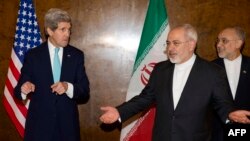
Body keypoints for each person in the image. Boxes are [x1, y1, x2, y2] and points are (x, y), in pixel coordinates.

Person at [100, 24, 250, 141]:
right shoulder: (160, 70)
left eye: (176, 43)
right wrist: (120, 111)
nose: (170, 48)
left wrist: (230, 114)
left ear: (191, 44)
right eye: (168, 43)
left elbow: (222, 103)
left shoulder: (212, 71)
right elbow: (145, 98)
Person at [14, 8, 90, 141]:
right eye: (63, 29)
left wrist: (68, 87)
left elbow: (84, 92)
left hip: (67, 129)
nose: (68, 34)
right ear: (49, 31)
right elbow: (18, 89)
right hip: (39, 128)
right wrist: (24, 88)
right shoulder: (33, 56)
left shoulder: (77, 56)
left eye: (69, 29)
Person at [212, 26, 250, 141]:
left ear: (238, 43)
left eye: (224, 41)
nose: (218, 45)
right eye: (218, 40)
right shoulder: (209, 68)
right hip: (217, 131)